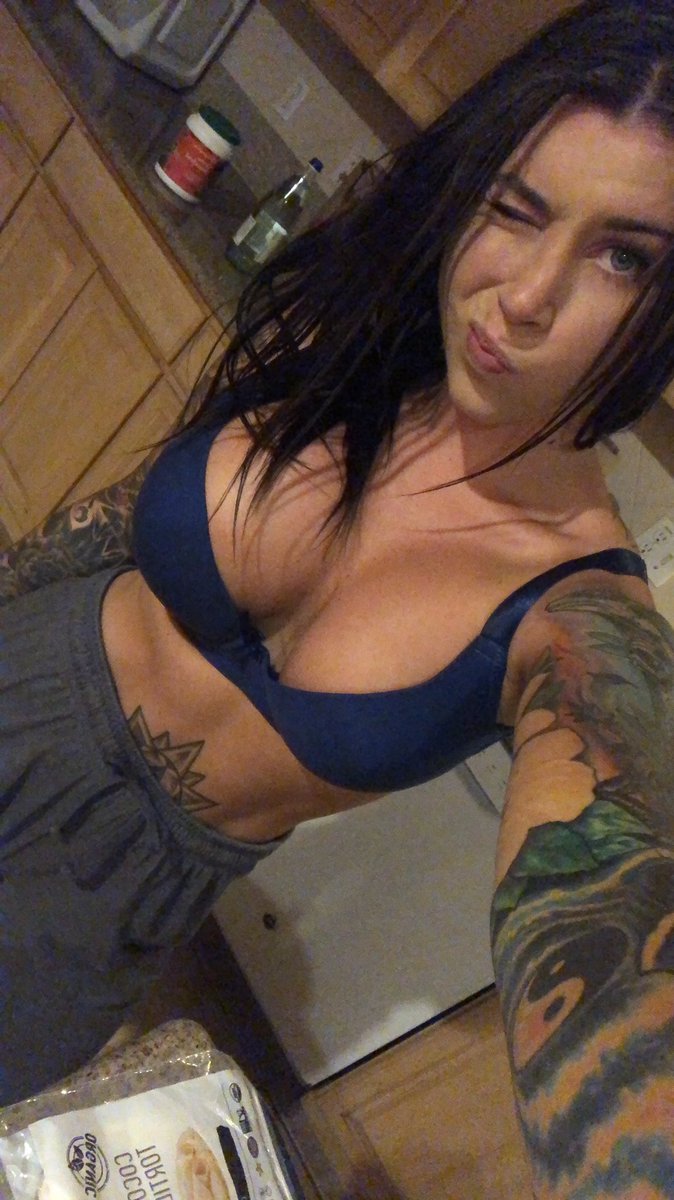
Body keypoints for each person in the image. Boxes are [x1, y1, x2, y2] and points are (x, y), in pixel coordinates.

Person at [2, 0, 674, 1191]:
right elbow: (111, 518)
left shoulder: (580, 610)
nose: (522, 295)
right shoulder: (376, 327)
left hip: (102, 903)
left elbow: (622, 894)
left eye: (621, 256)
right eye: (515, 207)